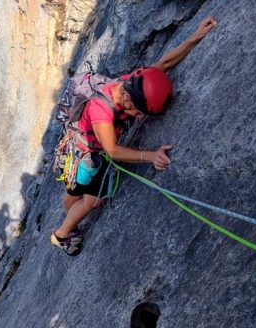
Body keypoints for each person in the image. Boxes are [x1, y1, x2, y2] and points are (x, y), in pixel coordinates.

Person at [51, 17, 218, 255]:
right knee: (88, 201)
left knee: (74, 194)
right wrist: (151, 156)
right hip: (86, 156)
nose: (139, 118)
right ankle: (62, 235)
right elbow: (112, 151)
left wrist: (196, 36)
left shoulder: (131, 85)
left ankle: (70, 218)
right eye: (138, 112)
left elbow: (164, 64)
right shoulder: (101, 110)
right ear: (127, 101)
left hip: (82, 150)